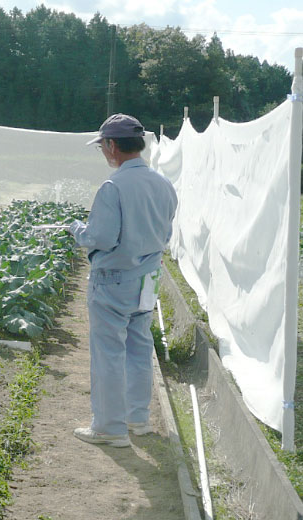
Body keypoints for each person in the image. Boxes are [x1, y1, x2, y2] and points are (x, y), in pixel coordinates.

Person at [69, 114, 178, 448]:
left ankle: (110, 427)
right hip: (147, 278)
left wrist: (77, 230)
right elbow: (166, 230)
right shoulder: (163, 184)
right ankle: (138, 418)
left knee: (109, 352)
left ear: (112, 146)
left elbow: (101, 236)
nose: (103, 151)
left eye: (103, 145)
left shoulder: (113, 187)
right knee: (139, 346)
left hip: (113, 280)